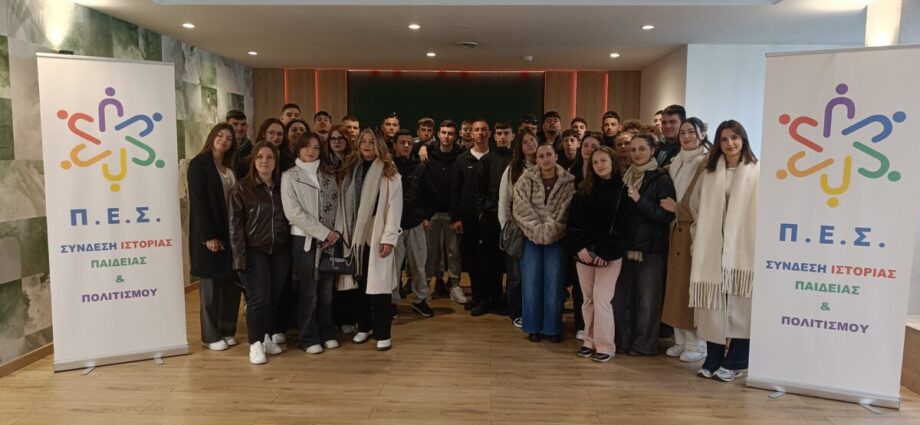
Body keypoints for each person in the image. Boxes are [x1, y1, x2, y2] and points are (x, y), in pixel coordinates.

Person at [690, 120, 759, 382]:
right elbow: (695, 206)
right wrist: (700, 235)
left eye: (734, 138)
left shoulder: (757, 171)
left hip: (743, 250)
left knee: (742, 305)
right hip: (713, 248)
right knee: (712, 305)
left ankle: (738, 360)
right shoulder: (709, 172)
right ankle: (713, 358)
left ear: (743, 139)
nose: (730, 143)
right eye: (724, 139)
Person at [339, 129, 403, 351]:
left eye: (371, 141)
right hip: (355, 236)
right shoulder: (351, 169)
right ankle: (364, 327)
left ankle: (382, 333)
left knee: (380, 288)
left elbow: (395, 207)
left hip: (377, 233)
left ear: (379, 145)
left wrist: (389, 238)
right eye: (363, 141)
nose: (366, 145)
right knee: (361, 283)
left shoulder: (388, 171)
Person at [613, 133, 676, 356]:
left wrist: (640, 200)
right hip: (625, 246)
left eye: (642, 149)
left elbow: (665, 216)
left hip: (650, 249)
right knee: (623, 299)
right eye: (633, 150)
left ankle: (644, 345)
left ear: (652, 150)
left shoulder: (662, 178)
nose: (637, 153)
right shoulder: (624, 176)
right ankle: (623, 342)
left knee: (647, 301)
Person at [229, 141, 291, 365]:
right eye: (260, 157)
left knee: (274, 297)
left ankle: (265, 337)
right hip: (254, 251)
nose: (265, 161)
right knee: (258, 298)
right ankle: (255, 344)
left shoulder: (283, 186)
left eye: (270, 157)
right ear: (253, 161)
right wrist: (239, 259)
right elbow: (234, 227)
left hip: (280, 250)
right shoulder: (241, 189)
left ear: (276, 161)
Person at [281, 132, 341, 355]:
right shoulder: (290, 176)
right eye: (307, 146)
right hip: (304, 240)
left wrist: (334, 233)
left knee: (326, 292)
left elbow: (339, 205)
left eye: (316, 147)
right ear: (298, 148)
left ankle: (327, 331)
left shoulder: (328, 174)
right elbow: (293, 213)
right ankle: (308, 336)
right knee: (309, 291)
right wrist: (323, 233)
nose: (311, 151)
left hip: (330, 240)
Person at [567, 146, 626, 362]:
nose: (599, 165)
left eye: (603, 161)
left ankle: (605, 345)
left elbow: (624, 227)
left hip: (609, 255)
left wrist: (606, 252)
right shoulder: (583, 191)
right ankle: (589, 341)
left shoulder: (623, 190)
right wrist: (580, 247)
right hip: (584, 254)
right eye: (595, 162)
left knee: (602, 300)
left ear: (613, 162)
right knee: (588, 300)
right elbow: (573, 223)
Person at [513, 142, 575, 343]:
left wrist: (549, 231)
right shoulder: (526, 179)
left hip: (556, 239)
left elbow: (566, 211)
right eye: (541, 156)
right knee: (530, 283)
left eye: (549, 155)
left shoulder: (568, 181)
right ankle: (533, 327)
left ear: (555, 156)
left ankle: (552, 328)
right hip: (531, 238)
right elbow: (520, 207)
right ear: (536, 159)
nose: (546, 159)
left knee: (554, 284)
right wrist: (537, 230)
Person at [660, 117, 711, 362]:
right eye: (683, 133)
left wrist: (677, 208)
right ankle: (680, 341)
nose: (686, 136)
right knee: (675, 288)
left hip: (691, 229)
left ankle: (697, 344)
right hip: (673, 228)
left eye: (691, 132)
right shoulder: (676, 161)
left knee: (689, 289)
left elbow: (706, 201)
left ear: (702, 134)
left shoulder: (707, 162)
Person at [188, 123, 241, 352]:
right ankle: (210, 336)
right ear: (212, 137)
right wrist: (208, 236)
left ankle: (227, 330)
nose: (224, 140)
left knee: (231, 284)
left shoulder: (232, 166)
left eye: (229, 137)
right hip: (210, 235)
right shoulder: (198, 164)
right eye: (220, 135)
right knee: (210, 288)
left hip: (232, 233)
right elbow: (198, 202)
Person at [451, 119, 503, 316]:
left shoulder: (496, 158)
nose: (480, 133)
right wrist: (456, 218)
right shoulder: (461, 160)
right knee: (472, 260)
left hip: (491, 218)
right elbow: (455, 190)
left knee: (492, 260)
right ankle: (478, 297)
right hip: (468, 219)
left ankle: (494, 298)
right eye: (476, 130)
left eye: (483, 130)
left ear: (489, 134)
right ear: (471, 134)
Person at [423, 120, 468, 305]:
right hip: (431, 214)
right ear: (438, 134)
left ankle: (455, 286)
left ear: (455, 136)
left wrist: (458, 216)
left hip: (452, 214)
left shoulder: (461, 156)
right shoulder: (428, 154)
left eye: (450, 133)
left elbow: (462, 187)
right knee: (429, 252)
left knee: (454, 252)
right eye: (443, 132)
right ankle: (426, 285)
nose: (446, 137)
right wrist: (425, 214)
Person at [498, 128, 538, 328]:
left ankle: (533, 310)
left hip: (540, 229)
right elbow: (504, 201)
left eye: (533, 140)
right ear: (519, 147)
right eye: (525, 142)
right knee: (516, 275)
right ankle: (516, 312)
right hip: (517, 228)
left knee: (535, 273)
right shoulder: (512, 169)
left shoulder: (545, 164)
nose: (531, 144)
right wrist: (505, 227)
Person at [392, 129, 434, 317]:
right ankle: (392, 301)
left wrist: (426, 216)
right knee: (393, 267)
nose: (407, 146)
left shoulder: (420, 167)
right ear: (395, 145)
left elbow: (429, 193)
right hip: (393, 225)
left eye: (410, 143)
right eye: (402, 142)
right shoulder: (388, 167)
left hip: (415, 223)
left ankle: (420, 299)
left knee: (418, 265)